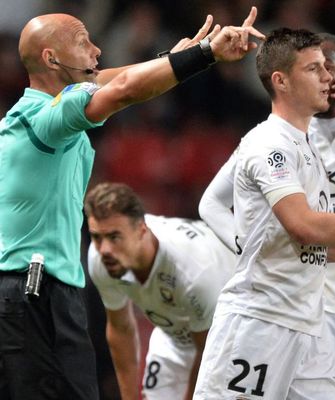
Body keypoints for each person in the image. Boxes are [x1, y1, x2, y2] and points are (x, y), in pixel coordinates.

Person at [0, 9, 264, 400]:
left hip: (31, 294)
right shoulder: (46, 120)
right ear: (51, 59)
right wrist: (204, 55)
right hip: (34, 294)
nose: (97, 49)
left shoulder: (33, 113)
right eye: (82, 42)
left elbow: (106, 80)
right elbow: (121, 88)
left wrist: (170, 62)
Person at [194, 28, 335, 399]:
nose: (327, 77)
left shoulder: (307, 147)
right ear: (281, 81)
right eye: (314, 69)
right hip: (260, 321)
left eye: (327, 68)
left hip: (307, 325)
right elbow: (304, 226)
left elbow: (325, 250)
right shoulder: (269, 144)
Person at [85, 182, 235, 400]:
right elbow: (121, 328)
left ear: (141, 231)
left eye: (115, 237)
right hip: (174, 334)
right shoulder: (102, 260)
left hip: (230, 338)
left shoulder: (193, 271)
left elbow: (208, 354)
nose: (105, 249)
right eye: (97, 237)